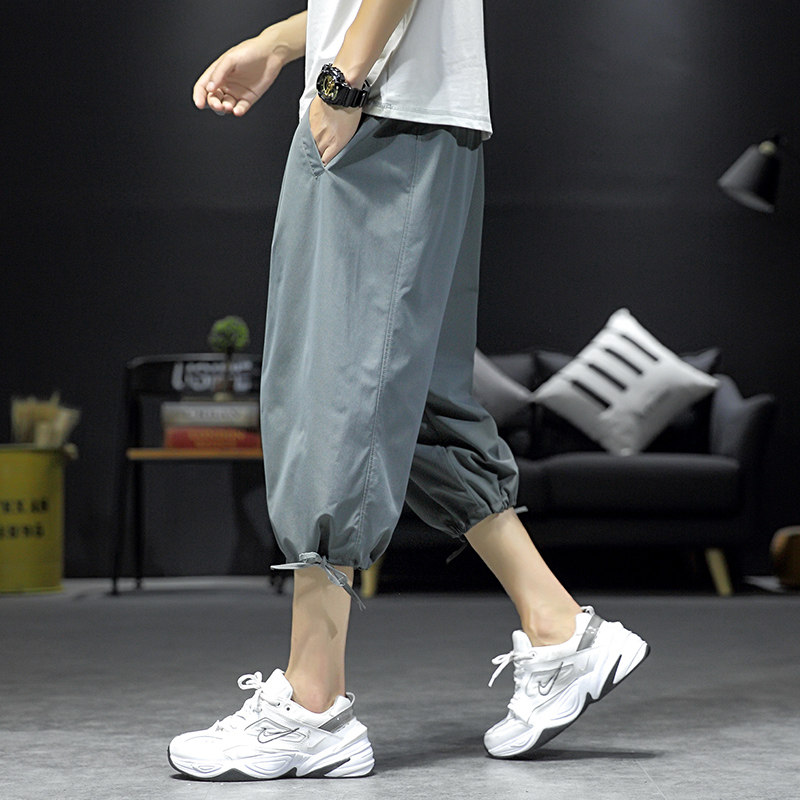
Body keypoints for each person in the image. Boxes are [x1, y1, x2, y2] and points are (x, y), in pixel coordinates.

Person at [168, 1, 649, 780]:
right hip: (423, 119)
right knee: (414, 399)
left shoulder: (358, 95)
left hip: (382, 117)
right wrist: (277, 45)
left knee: (332, 391)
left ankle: (313, 702)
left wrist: (342, 81)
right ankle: (560, 629)